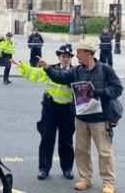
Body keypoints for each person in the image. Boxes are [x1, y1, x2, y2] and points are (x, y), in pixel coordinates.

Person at [39, 39, 123, 193]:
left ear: (88, 53)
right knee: (81, 150)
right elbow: (61, 78)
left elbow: (117, 88)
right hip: (82, 117)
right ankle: (85, 178)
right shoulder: (77, 70)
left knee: (104, 151)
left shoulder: (105, 69)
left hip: (100, 118)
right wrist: (48, 68)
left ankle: (108, 182)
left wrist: (99, 93)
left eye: (79, 53)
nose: (76, 56)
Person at [11, 43, 76, 181]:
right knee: (47, 139)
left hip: (67, 111)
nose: (66, 59)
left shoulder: (75, 72)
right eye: (63, 56)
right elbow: (34, 74)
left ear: (71, 58)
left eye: (68, 57)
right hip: (50, 109)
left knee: (66, 141)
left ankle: (67, 168)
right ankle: (44, 169)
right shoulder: (50, 68)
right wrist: (22, 66)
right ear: (59, 57)